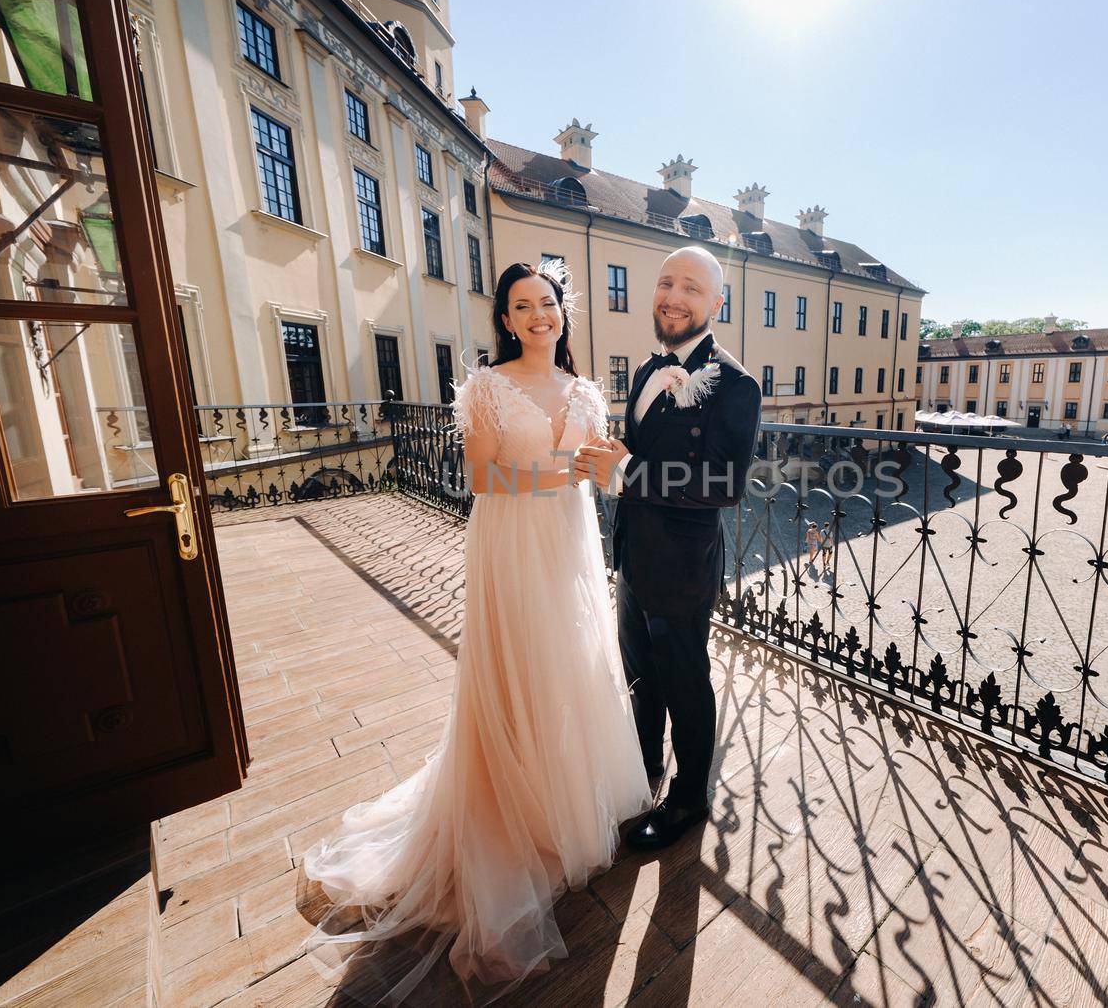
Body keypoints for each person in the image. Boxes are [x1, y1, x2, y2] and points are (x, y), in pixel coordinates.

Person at [301, 262, 651, 1001]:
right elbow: (484, 478)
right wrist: (567, 479)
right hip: (511, 544)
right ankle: (510, 813)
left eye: (547, 303)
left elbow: (599, 474)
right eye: (522, 306)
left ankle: (558, 808)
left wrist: (611, 471)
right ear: (506, 318)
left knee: (570, 669)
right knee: (520, 669)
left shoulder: (586, 392)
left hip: (569, 545)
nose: (538, 316)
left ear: (564, 311)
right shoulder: (488, 387)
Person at [575, 246, 762, 850]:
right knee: (640, 676)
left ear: (716, 303)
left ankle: (688, 799)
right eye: (665, 283)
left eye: (691, 287)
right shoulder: (644, 371)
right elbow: (640, 456)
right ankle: (645, 774)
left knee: (684, 680)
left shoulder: (736, 385)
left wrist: (627, 466)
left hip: (682, 566)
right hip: (633, 555)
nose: (673, 297)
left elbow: (723, 485)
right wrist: (611, 460)